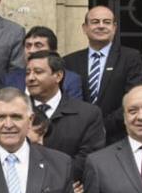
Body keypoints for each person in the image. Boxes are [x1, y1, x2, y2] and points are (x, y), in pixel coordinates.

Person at [64, 6, 142, 142]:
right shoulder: (69, 61)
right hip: (79, 138)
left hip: (116, 136)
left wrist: (102, 127)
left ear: (114, 28)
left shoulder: (130, 57)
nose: (101, 26)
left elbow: (133, 98)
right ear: (85, 28)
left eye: (106, 22)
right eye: (95, 22)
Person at [26, 50, 105, 182]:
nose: (31, 78)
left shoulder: (87, 114)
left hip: (70, 187)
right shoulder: (15, 113)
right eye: (27, 73)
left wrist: (57, 184)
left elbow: (88, 158)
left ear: (58, 76)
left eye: (38, 72)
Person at [0, 26, 82, 100]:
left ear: (53, 51)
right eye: (28, 46)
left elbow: (75, 110)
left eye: (38, 45)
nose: (31, 50)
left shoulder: (70, 80)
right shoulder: (9, 80)